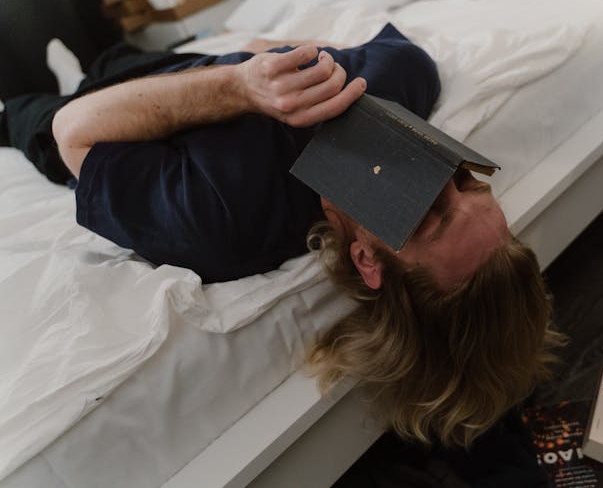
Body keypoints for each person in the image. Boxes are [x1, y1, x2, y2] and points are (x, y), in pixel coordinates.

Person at [0, 24, 564, 449]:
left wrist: (240, 86)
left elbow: (71, 131)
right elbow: (399, 56)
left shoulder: (226, 222)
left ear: (369, 260)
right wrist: (270, 57)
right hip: (182, 60)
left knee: (26, 96)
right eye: (468, 181)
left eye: (424, 213)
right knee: (111, 46)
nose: (440, 173)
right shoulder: (404, 85)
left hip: (113, 113)